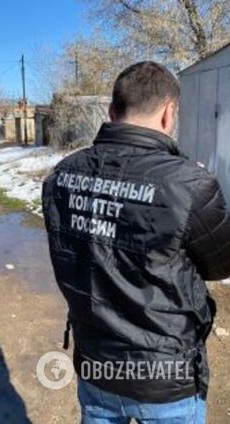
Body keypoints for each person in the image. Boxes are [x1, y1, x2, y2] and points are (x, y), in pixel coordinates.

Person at [42, 61, 230, 423]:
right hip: (165, 379)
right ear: (168, 114)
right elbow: (220, 264)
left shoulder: (61, 176)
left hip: (97, 365)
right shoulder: (189, 184)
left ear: (112, 112)